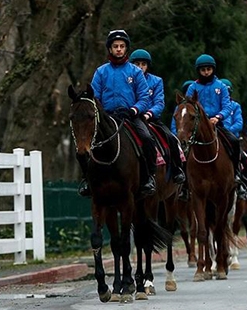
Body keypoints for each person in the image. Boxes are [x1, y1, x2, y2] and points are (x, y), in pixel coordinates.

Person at [79, 29, 156, 198]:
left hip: (130, 115)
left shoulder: (135, 72)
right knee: (84, 142)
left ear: (126, 49)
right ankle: (87, 180)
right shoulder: (101, 72)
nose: (119, 49)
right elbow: (94, 96)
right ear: (110, 49)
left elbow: (144, 97)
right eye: (115, 46)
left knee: (147, 138)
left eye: (122, 46)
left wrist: (133, 110)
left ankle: (148, 177)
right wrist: (100, 111)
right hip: (106, 116)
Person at [185, 54, 247, 199]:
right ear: (198, 71)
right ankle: (184, 183)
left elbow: (226, 106)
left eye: (208, 69)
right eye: (203, 70)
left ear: (213, 69)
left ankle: (239, 177)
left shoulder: (221, 86)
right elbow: (188, 106)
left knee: (234, 142)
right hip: (198, 126)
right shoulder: (192, 87)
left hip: (217, 124)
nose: (206, 72)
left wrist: (218, 117)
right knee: (185, 149)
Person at [129, 48, 185, 184]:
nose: (140, 67)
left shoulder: (156, 81)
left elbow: (159, 103)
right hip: (132, 116)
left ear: (148, 65)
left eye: (143, 64)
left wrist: (149, 114)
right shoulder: (128, 80)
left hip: (151, 118)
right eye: (137, 64)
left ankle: (177, 169)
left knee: (171, 139)